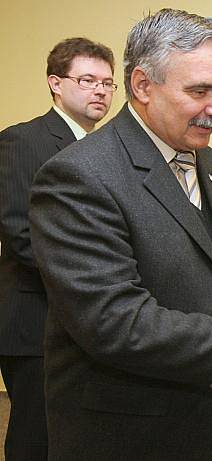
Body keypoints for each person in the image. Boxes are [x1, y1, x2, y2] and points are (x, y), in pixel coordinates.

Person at [28, 9, 212, 461]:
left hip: (205, 423)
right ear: (142, 85)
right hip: (124, 435)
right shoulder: (78, 175)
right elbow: (117, 322)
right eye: (200, 91)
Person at [0, 37, 115, 461]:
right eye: (87, 80)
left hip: (81, 324)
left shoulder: (100, 150)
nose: (100, 90)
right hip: (34, 324)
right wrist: (98, 282)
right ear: (55, 83)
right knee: (36, 440)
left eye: (107, 82)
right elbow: (19, 234)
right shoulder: (23, 140)